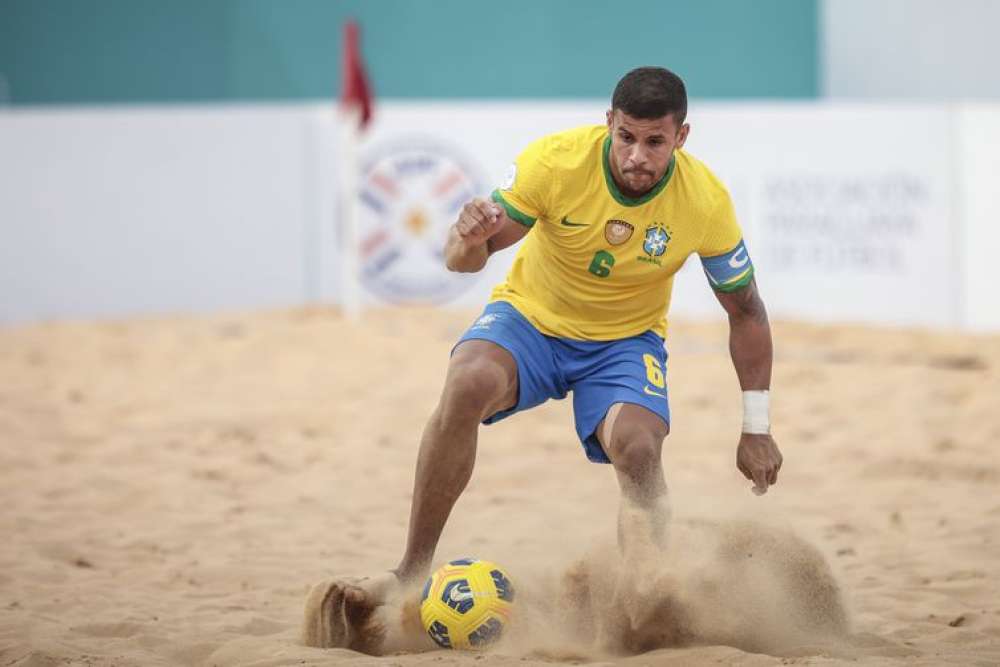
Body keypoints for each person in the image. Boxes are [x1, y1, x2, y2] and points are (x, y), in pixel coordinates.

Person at [303, 66, 783, 653]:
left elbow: (747, 312)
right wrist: (465, 236)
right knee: (467, 381)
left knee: (637, 446)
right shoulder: (556, 163)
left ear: (681, 138)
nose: (637, 155)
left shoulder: (705, 202)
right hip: (531, 320)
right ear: (609, 123)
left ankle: (648, 590)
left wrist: (756, 427)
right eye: (626, 136)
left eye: (654, 142)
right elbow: (465, 260)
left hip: (624, 343)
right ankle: (410, 569)